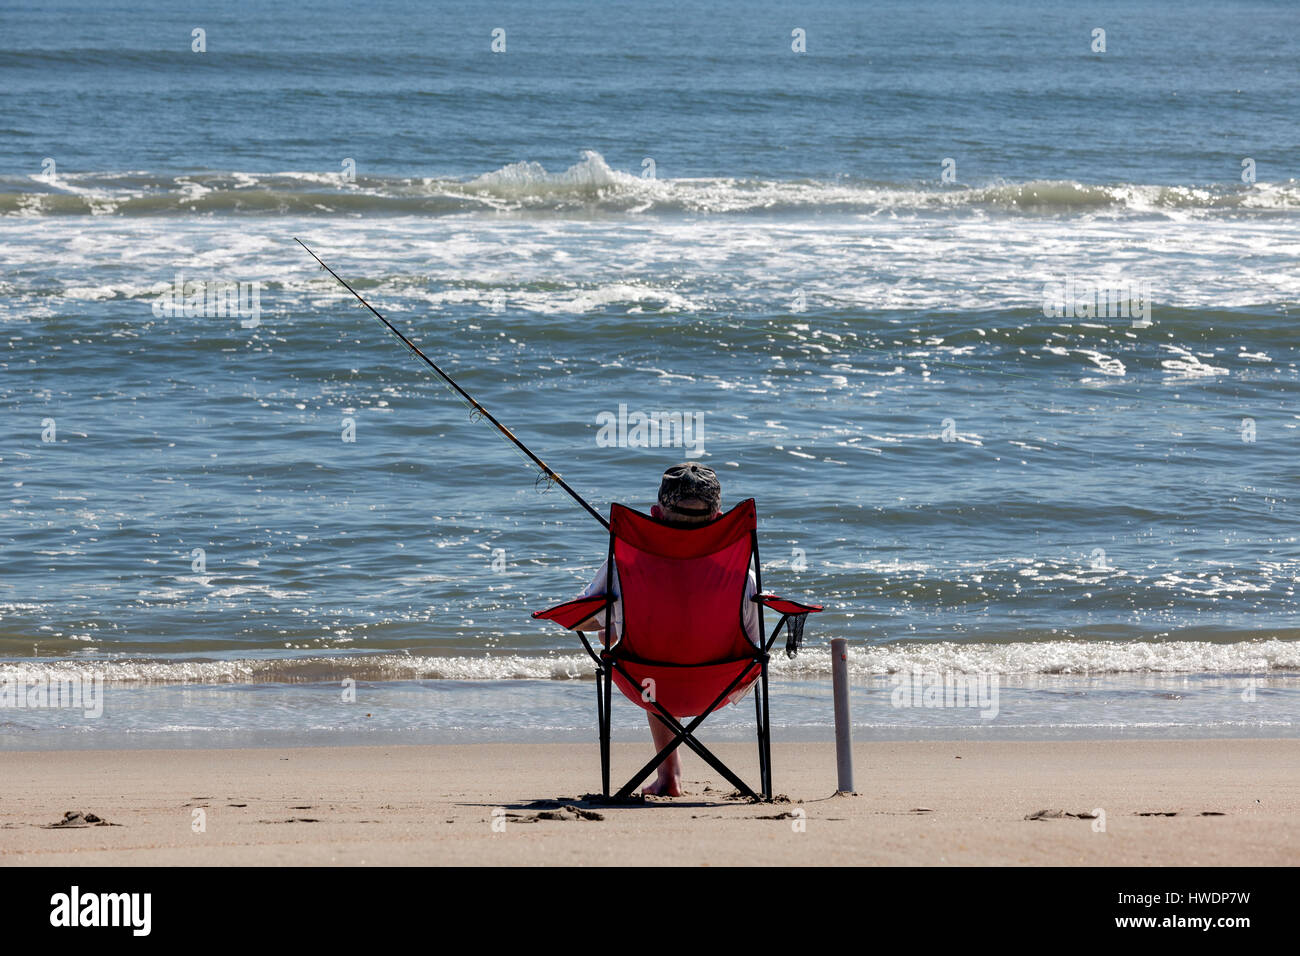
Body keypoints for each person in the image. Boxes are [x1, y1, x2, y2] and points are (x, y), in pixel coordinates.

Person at [572, 462, 759, 797]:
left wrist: (610, 622)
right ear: (718, 520)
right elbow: (752, 639)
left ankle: (668, 773)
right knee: (663, 646)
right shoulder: (741, 575)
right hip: (720, 684)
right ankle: (671, 772)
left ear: (656, 514)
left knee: (638, 650)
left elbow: (579, 617)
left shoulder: (625, 564)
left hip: (647, 682)